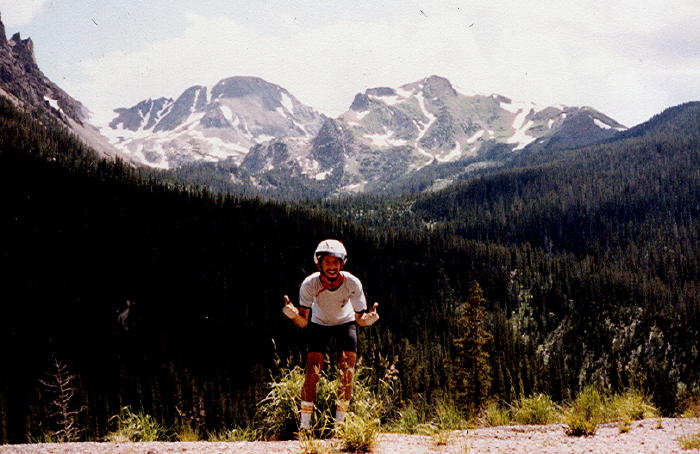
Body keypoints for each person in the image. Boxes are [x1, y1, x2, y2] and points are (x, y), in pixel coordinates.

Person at [282, 239, 379, 430]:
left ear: (342, 263)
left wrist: (369, 319)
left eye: (336, 262)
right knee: (312, 370)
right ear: (319, 263)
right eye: (327, 262)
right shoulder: (309, 284)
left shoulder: (352, 283)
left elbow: (360, 319)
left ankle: (340, 426)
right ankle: (305, 426)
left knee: (347, 369)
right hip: (319, 323)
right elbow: (303, 322)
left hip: (346, 322)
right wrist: (293, 315)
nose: (332, 267)